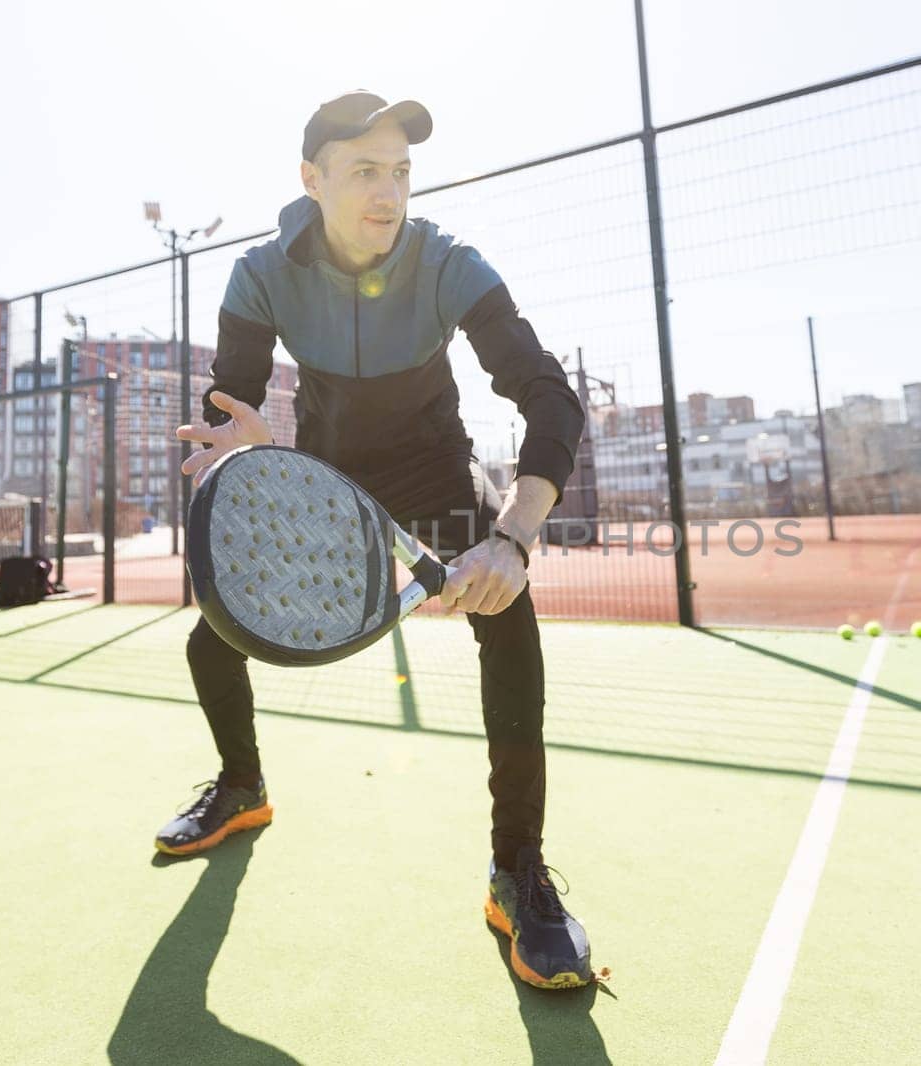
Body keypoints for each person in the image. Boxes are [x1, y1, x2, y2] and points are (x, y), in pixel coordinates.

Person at [157, 91, 592, 990]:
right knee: (214, 636)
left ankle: (517, 869)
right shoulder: (259, 273)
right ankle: (242, 788)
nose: (388, 194)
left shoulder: (450, 263)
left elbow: (549, 398)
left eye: (400, 171)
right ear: (311, 180)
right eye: (364, 172)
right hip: (330, 484)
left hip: (437, 471)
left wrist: (511, 538)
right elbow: (230, 400)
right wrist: (237, 434)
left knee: (510, 622)